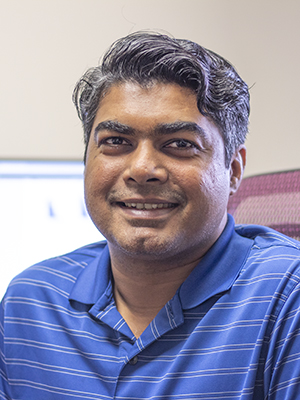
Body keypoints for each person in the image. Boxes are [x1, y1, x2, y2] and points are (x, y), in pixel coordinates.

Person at [1, 32, 300, 400]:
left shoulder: (288, 301)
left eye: (180, 145)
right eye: (115, 141)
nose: (142, 169)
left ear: (234, 170)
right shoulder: (29, 302)